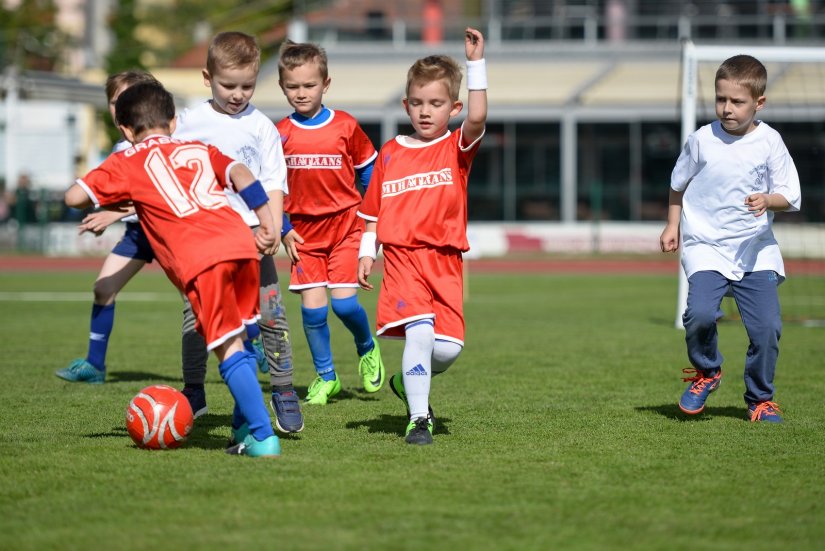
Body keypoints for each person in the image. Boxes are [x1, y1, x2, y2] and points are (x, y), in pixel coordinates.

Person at [65, 81, 281, 457]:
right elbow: (242, 173)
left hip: (203, 259)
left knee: (227, 346)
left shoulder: (125, 161)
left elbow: (74, 197)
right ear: (174, 121)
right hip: (242, 245)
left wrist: (109, 182)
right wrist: (267, 223)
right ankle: (244, 429)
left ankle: (263, 437)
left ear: (125, 130)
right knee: (240, 339)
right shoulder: (198, 148)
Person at [357, 28, 488, 445]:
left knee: (447, 350)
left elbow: (481, 118)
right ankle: (418, 419)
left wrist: (476, 64)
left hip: (445, 262)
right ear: (405, 105)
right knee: (419, 333)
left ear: (454, 107)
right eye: (418, 103)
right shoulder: (390, 153)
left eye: (436, 103)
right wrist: (366, 251)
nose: (426, 111)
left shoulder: (456, 149)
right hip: (402, 260)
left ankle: (406, 382)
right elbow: (372, 214)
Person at [173, 31, 304, 433]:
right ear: (206, 76)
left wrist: (272, 229)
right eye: (228, 85)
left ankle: (282, 389)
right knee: (197, 319)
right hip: (205, 241)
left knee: (272, 316)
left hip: (254, 240)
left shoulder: (262, 127)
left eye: (247, 85)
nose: (237, 94)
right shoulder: (190, 124)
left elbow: (274, 184)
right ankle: (194, 390)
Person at [660, 54, 801, 423]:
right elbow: (677, 186)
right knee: (700, 315)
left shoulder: (770, 142)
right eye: (721, 99)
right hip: (706, 246)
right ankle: (707, 371)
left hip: (755, 251)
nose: (726, 108)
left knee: (767, 328)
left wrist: (768, 200)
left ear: (759, 103)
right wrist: (672, 225)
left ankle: (760, 400)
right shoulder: (701, 140)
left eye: (737, 102)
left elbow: (791, 196)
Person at [275, 40, 384, 406]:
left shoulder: (346, 126)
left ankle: (366, 346)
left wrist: (373, 221)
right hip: (303, 235)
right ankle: (326, 377)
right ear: (282, 86)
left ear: (326, 84)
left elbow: (369, 173)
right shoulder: (279, 134)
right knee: (313, 310)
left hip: (344, 228)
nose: (301, 93)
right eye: (293, 86)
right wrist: (283, 227)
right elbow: (273, 188)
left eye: (309, 85)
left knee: (344, 306)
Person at [55, 70, 160, 385]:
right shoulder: (118, 149)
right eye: (115, 102)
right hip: (139, 234)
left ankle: (252, 341)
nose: (119, 107)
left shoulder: (161, 144)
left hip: (169, 233)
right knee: (103, 288)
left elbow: (159, 197)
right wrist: (109, 213)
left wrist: (112, 214)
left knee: (201, 300)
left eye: (127, 100)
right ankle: (95, 365)